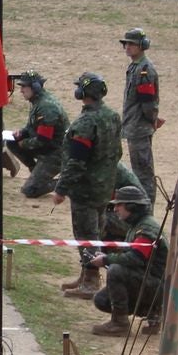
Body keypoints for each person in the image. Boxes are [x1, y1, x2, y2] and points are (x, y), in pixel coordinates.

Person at [53, 72, 122, 299]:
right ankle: (86, 274)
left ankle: (91, 279)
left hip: (85, 189)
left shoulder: (85, 123)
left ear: (83, 93)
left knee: (85, 234)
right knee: (96, 232)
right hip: (104, 186)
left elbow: (77, 161)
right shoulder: (112, 116)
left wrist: (61, 189)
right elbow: (117, 152)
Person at [88, 186, 168, 337]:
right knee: (102, 300)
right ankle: (152, 311)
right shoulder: (138, 225)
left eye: (120, 205)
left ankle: (120, 324)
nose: (116, 208)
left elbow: (136, 258)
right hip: (152, 281)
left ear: (131, 206)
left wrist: (107, 259)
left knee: (116, 271)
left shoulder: (145, 229)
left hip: (156, 284)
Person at [7, 70, 69, 198]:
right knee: (12, 141)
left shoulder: (47, 107)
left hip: (56, 153)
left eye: (24, 86)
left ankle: (68, 183)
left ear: (35, 87)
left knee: (30, 190)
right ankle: (35, 170)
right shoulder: (37, 102)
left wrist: (24, 143)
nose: (21, 90)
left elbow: (43, 139)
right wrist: (21, 134)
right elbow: (31, 127)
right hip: (47, 147)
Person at [119, 28, 163, 206]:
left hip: (139, 127)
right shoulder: (136, 67)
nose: (127, 47)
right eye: (126, 43)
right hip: (134, 126)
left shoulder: (144, 71)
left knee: (143, 173)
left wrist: (152, 119)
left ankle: (147, 208)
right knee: (139, 171)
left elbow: (148, 103)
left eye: (131, 44)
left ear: (142, 46)